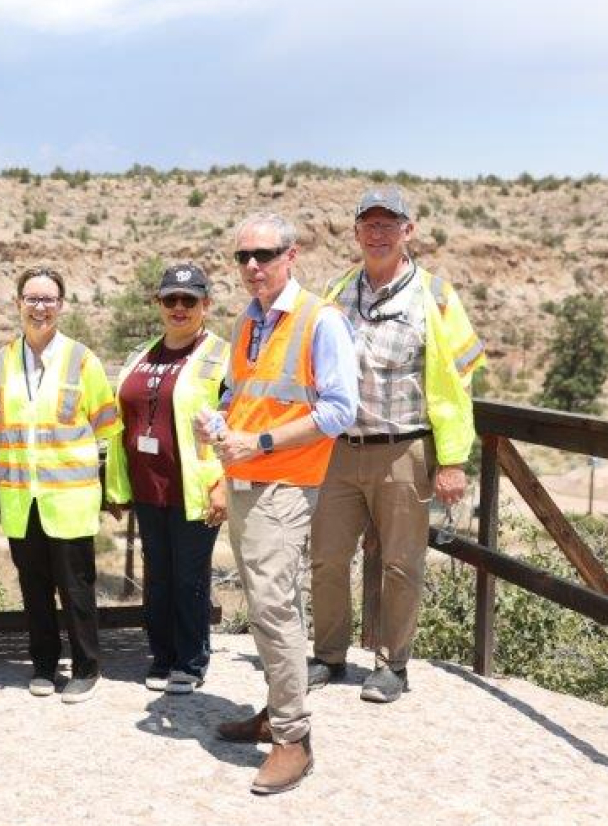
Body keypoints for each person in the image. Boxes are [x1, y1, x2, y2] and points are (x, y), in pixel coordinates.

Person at [197, 213, 358, 795]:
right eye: (243, 257)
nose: (252, 266)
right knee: (267, 602)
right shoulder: (249, 320)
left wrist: (260, 441)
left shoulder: (321, 321)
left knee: (273, 606)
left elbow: (340, 411)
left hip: (285, 484)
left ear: (292, 256)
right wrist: (221, 423)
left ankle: (293, 738)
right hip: (245, 481)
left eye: (264, 254)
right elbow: (244, 395)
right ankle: (275, 710)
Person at [307, 187, 484, 703]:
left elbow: (459, 379)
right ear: (357, 231)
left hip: (404, 447)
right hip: (339, 448)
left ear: (408, 231)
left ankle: (392, 666)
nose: (379, 233)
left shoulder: (436, 295)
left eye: (390, 224)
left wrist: (452, 459)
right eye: (370, 224)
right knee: (326, 557)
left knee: (402, 563)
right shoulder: (337, 290)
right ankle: (329, 655)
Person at [0, 267, 122, 703]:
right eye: (31, 298)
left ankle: (85, 667)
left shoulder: (83, 361)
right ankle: (43, 664)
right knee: (34, 587)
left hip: (70, 499)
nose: (39, 307)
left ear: (61, 306)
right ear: (18, 303)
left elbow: (109, 430)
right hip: (22, 500)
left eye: (48, 299)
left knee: (75, 588)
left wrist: (115, 488)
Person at [104, 264, 230, 695]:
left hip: (194, 487)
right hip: (147, 485)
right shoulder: (142, 352)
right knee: (157, 575)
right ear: (158, 304)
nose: (179, 308)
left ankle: (191, 661)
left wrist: (225, 481)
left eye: (189, 300)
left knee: (189, 577)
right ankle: (161, 655)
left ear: (206, 305)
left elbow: (239, 421)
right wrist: (116, 486)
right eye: (170, 299)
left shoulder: (221, 355)